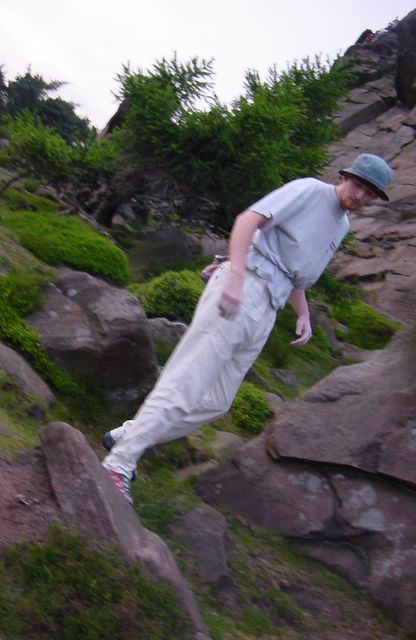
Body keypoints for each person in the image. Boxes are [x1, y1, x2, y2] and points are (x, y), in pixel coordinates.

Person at [102, 153, 394, 503]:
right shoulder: (309, 191)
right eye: (358, 185)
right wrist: (236, 276)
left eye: (369, 193)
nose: (360, 196)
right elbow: (248, 220)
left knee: (216, 402)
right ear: (345, 177)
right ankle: (118, 464)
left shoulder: (341, 224)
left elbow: (295, 273)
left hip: (268, 306)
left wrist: (303, 314)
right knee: (185, 383)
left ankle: (128, 435)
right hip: (246, 285)